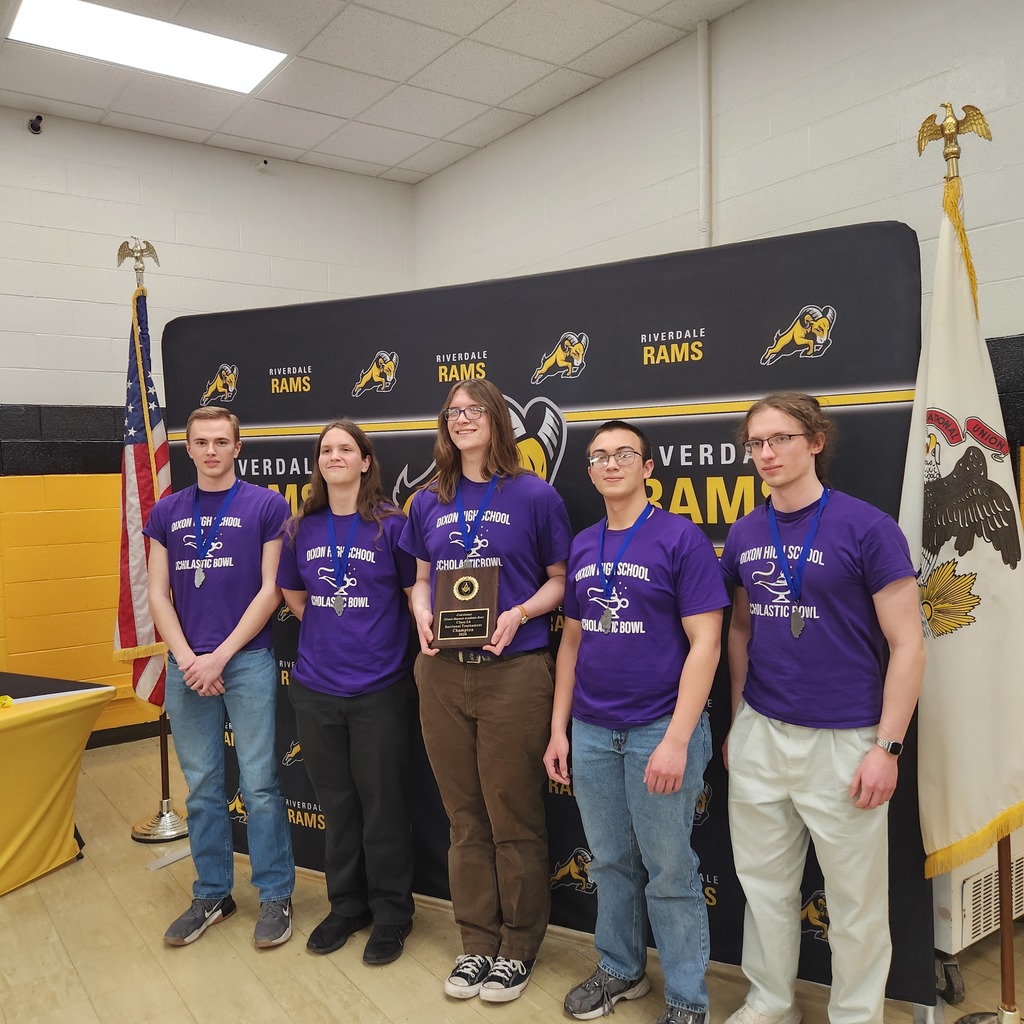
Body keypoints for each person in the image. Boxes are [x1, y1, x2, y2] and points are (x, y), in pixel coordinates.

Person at [720, 392, 925, 1024]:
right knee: (764, 890)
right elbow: (739, 631)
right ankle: (771, 1002)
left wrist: (887, 747)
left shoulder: (867, 527)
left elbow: (909, 642)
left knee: (855, 901)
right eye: (755, 443)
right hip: (761, 729)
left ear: (815, 441)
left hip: (847, 740)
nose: (766, 454)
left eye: (779, 438)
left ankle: (857, 1016)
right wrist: (737, 723)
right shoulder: (747, 531)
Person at [544, 420, 728, 1024]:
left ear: (648, 467)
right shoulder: (583, 542)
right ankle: (621, 970)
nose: (611, 464)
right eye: (599, 456)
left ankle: (686, 999)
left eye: (625, 454)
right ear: (590, 471)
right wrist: (558, 729)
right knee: (609, 862)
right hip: (594, 729)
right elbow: (571, 642)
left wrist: (678, 739)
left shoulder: (681, 539)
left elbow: (707, 643)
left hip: (659, 728)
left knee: (671, 871)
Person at [399, 378, 573, 1003]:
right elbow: (420, 579)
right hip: (442, 671)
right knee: (464, 816)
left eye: (474, 411)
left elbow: (560, 582)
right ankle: (476, 942)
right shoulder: (429, 500)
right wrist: (420, 611)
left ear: (497, 419)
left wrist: (521, 613)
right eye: (453, 413)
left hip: (514, 671)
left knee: (513, 814)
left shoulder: (535, 494)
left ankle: (519, 947)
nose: (463, 420)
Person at [145, 407, 294, 948]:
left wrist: (219, 656)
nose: (211, 450)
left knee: (258, 784)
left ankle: (276, 893)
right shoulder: (167, 511)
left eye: (221, 441)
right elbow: (158, 593)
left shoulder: (266, 505)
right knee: (204, 788)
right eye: (201, 442)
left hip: (247, 660)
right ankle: (212, 892)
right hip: (187, 664)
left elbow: (270, 590)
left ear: (237, 447)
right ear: (188, 449)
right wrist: (189, 658)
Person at [277, 419, 417, 966]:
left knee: (382, 808)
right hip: (315, 689)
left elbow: (414, 593)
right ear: (319, 463)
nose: (335, 456)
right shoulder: (300, 529)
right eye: (326, 450)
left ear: (365, 462)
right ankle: (347, 905)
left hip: (378, 689)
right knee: (337, 806)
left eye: (346, 449)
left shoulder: (391, 525)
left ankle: (391, 914)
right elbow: (292, 594)